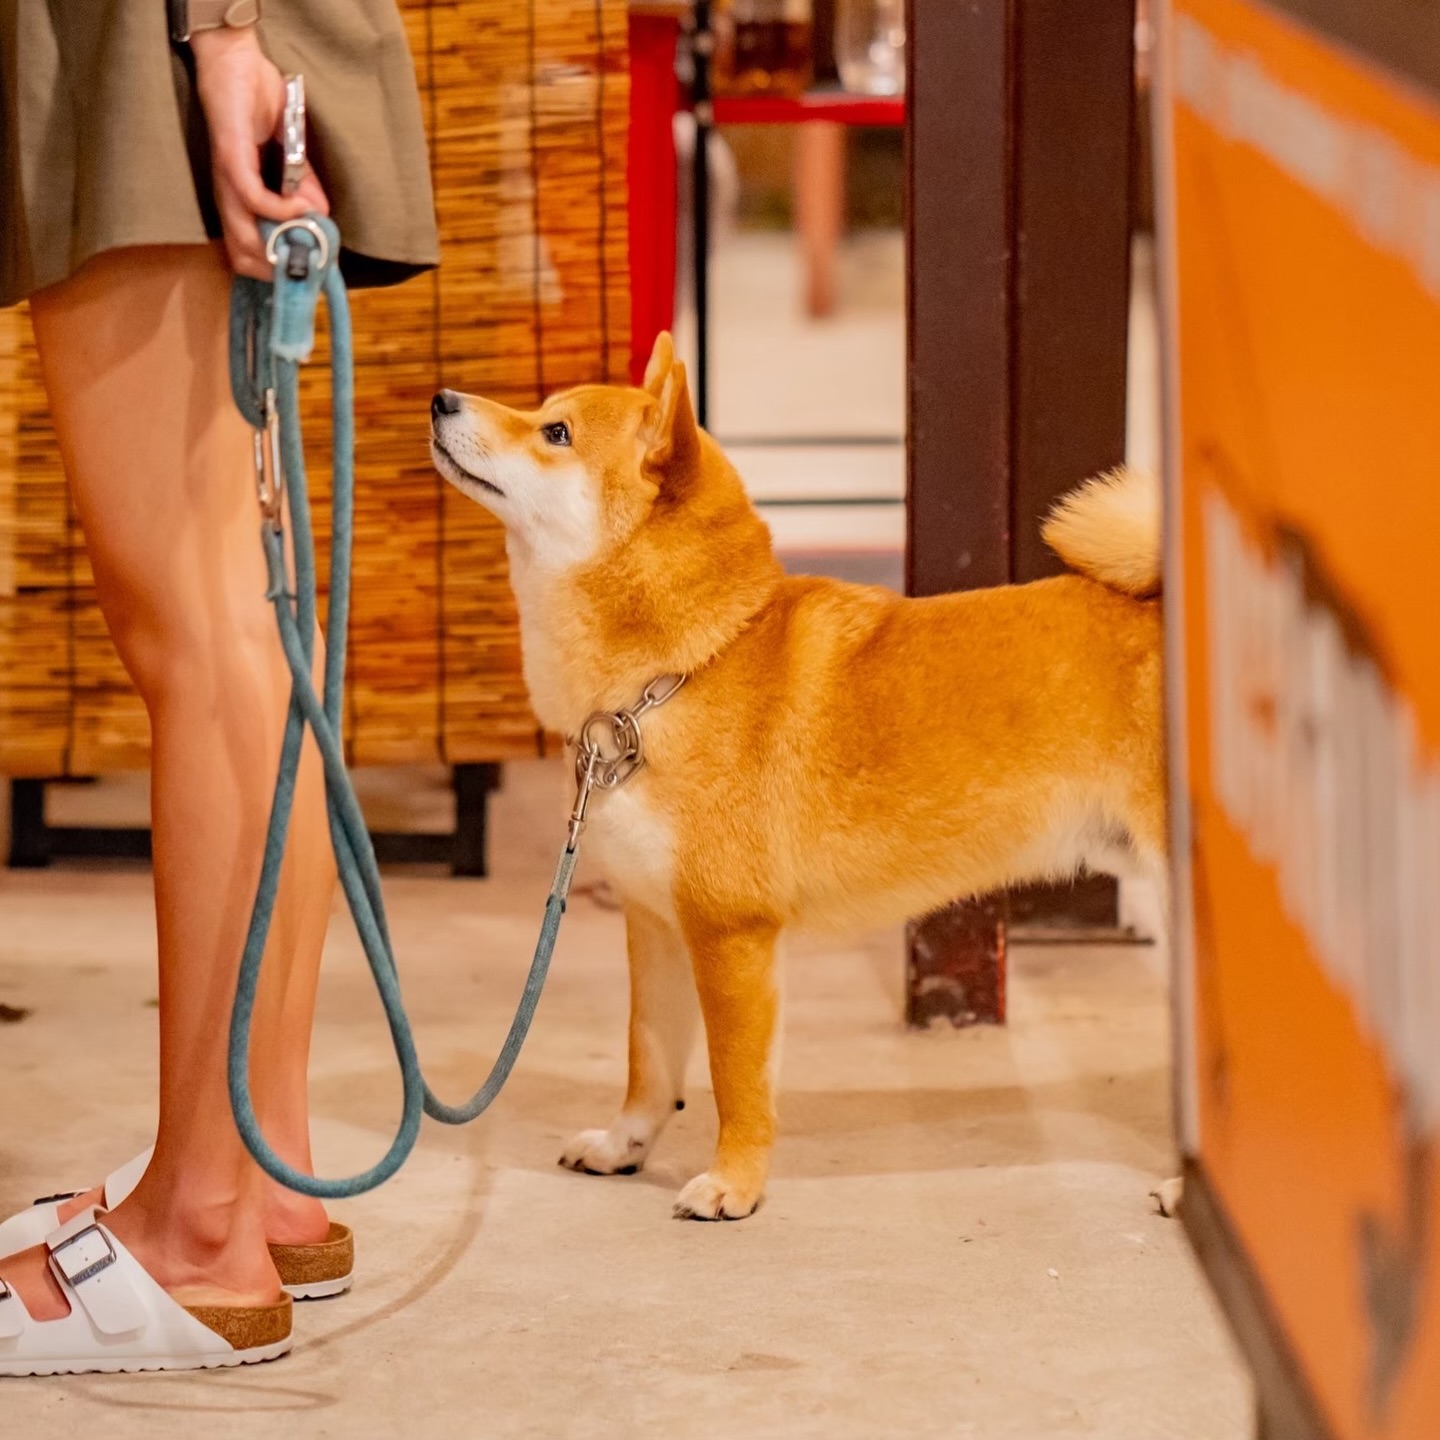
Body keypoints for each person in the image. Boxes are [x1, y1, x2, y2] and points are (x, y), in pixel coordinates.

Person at [0, 0, 437, 1374]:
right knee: (235, 619)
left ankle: (196, 1230)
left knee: (196, 627)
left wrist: (220, 38)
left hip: (149, 31)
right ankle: (269, 1171)